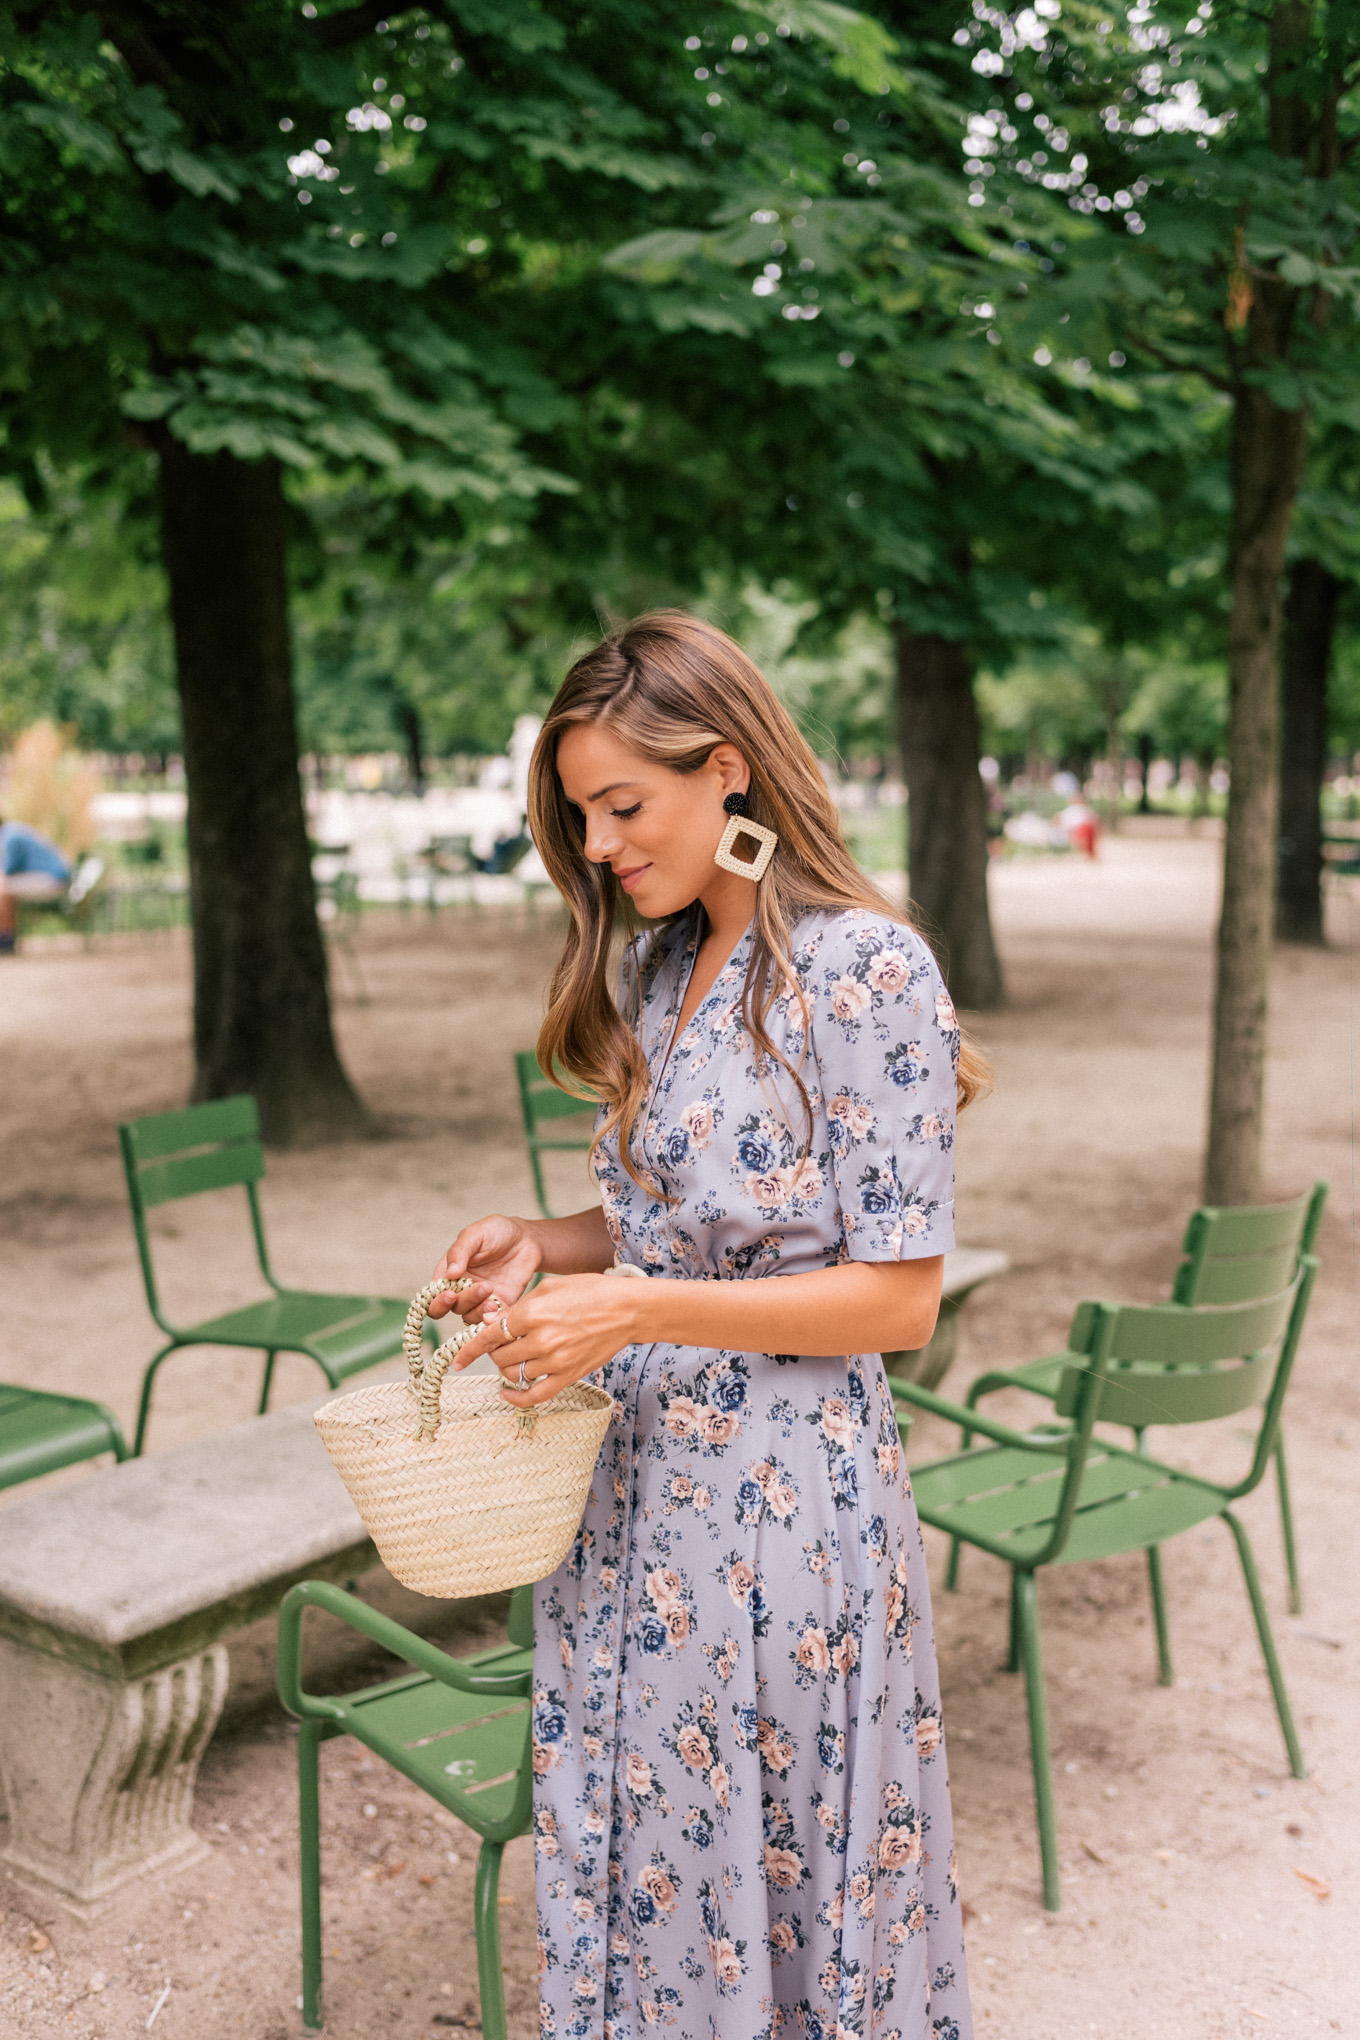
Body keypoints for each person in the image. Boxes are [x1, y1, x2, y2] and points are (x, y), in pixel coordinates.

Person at [432, 613, 986, 2040]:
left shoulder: (864, 971)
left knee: (784, 1883)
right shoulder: (654, 970)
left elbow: (899, 1297)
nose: (603, 845)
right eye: (582, 817)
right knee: (647, 1872)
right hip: (628, 1505)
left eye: (625, 806)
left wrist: (633, 1305)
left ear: (727, 770)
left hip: (784, 1516)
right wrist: (545, 1245)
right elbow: (684, 1220)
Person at [0, 815, 72, 953]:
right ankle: (6, 938)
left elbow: (8, 868)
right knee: (4, 887)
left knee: (3, 889)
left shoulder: (10, 837)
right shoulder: (13, 830)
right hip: (54, 878)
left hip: (54, 879)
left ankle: (5, 940)